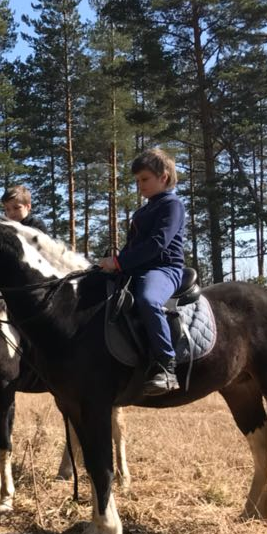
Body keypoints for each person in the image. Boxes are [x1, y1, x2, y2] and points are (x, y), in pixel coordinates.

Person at [97, 147, 186, 396]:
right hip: (137, 268)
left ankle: (166, 365)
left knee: (148, 300)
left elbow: (158, 243)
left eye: (144, 179)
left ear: (164, 177)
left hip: (164, 269)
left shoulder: (173, 205)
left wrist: (119, 263)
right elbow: (133, 247)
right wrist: (111, 265)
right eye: (137, 181)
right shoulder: (143, 210)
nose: (140, 185)